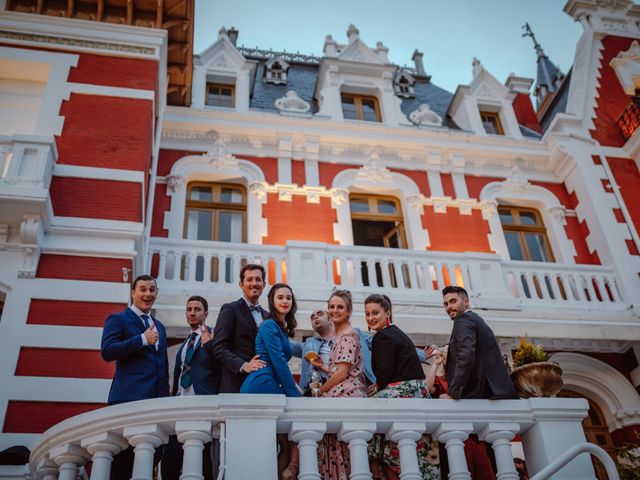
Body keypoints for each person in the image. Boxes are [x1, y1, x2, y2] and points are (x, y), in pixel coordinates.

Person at [100, 274, 169, 480]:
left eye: (152, 290)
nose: (148, 294)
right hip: (129, 400)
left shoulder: (160, 327)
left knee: (152, 458)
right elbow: (107, 351)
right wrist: (141, 339)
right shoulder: (118, 319)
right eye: (143, 289)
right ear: (133, 293)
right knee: (124, 463)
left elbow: (163, 367)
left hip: (155, 403)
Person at [365, 294, 440, 480]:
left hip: (402, 394)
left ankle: (376, 470)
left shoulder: (381, 337)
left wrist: (377, 386)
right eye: (367, 314)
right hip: (418, 393)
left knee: (365, 416)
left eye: (375, 313)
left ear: (387, 313)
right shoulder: (398, 333)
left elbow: (384, 374)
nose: (371, 317)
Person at [162, 295, 218, 480]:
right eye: (189, 309)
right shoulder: (185, 343)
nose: (192, 313)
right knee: (171, 457)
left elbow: (221, 367)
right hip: (179, 404)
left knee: (202, 458)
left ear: (206, 313)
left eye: (197, 309)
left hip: (202, 403)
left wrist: (209, 346)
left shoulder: (213, 337)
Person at [435, 285, 517, 400]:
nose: (449, 307)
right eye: (446, 304)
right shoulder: (475, 318)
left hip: (483, 393)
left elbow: (466, 356)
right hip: (493, 392)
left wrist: (453, 393)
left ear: (466, 302)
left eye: (453, 301)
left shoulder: (463, 319)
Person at [317, 289, 366, 479]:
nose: (335, 310)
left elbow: (344, 372)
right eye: (331, 307)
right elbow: (340, 369)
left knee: (342, 451)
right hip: (342, 393)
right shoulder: (341, 336)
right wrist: (323, 367)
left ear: (349, 311)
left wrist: (320, 390)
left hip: (347, 395)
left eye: (340, 307)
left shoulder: (347, 336)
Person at [426, 346, 495, 480]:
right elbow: (428, 389)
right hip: (450, 434)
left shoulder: (468, 379)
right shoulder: (441, 380)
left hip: (474, 434)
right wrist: (436, 363)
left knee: (483, 469)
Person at [205, 264, 268, 393]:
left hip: (263, 385)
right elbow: (218, 347)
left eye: (258, 279)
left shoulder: (268, 316)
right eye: (249, 279)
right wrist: (244, 365)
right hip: (235, 384)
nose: (254, 283)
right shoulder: (230, 309)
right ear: (241, 284)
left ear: (264, 284)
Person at [240, 283, 301, 397]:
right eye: (280, 297)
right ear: (272, 301)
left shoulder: (280, 328)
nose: (285, 301)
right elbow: (279, 361)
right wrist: (295, 394)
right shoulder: (269, 325)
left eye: (289, 298)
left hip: (270, 379)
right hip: (262, 381)